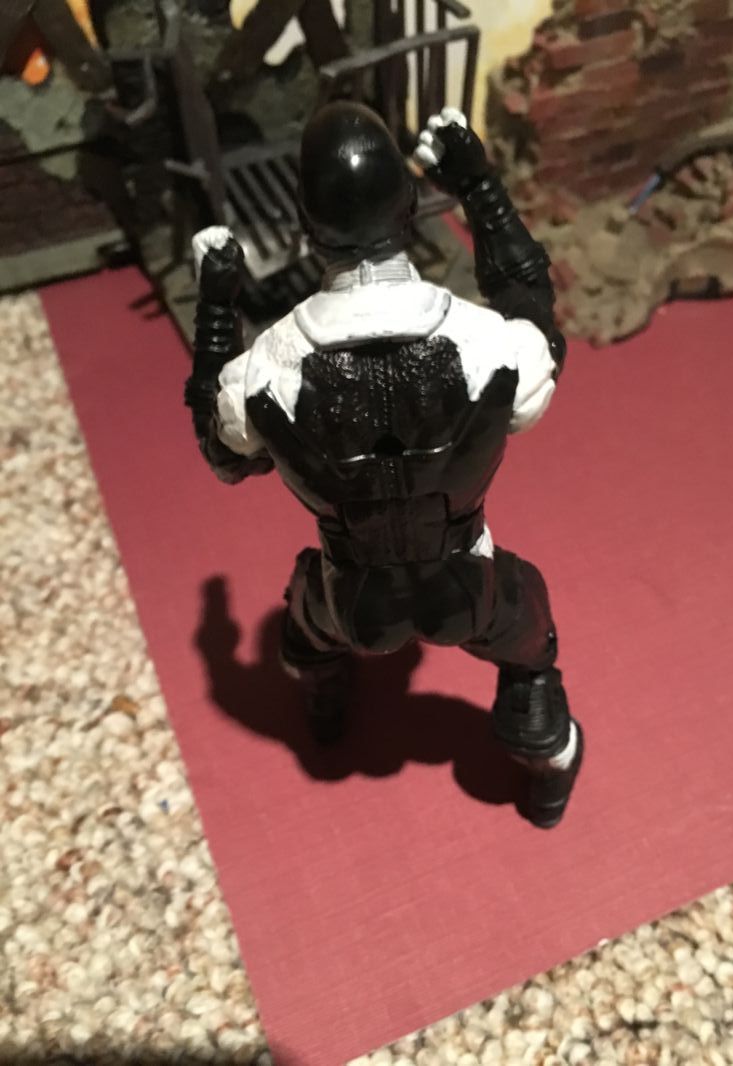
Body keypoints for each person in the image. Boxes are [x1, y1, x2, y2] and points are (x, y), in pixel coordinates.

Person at [185, 102, 583, 827]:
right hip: (469, 585)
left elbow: (223, 453)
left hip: (349, 596)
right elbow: (535, 314)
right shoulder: (490, 344)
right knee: (531, 652)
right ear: (407, 212)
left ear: (306, 227)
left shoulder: (266, 370)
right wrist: (480, 189)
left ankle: (323, 694)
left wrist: (216, 306)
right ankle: (546, 766)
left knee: (303, 630)